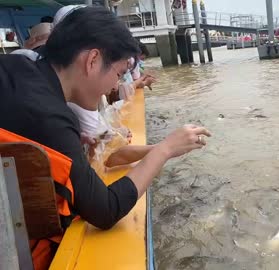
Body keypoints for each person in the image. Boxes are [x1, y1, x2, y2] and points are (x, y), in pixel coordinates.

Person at [0, 6, 210, 269]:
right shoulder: (50, 116)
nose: (114, 87)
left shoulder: (18, 66)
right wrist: (165, 149)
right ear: (92, 60)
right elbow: (106, 210)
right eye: (118, 74)